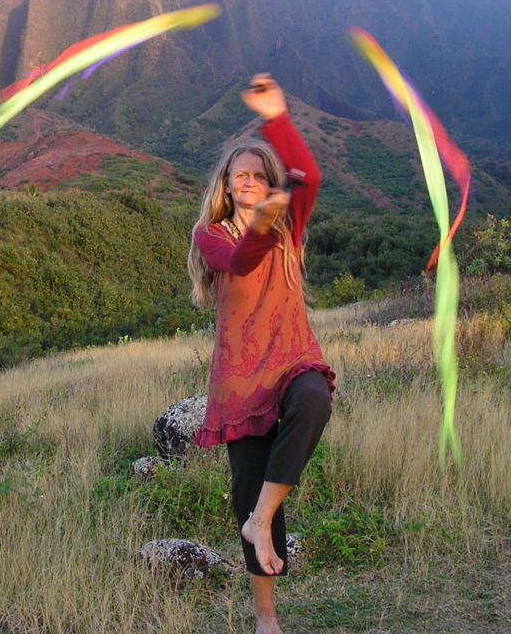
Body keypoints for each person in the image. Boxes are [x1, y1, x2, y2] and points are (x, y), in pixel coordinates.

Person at [187, 73, 335, 634]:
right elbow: (241, 264)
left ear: (269, 181)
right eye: (238, 175)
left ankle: (263, 520)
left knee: (315, 401)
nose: (247, 181)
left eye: (258, 175)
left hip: (293, 357)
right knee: (247, 487)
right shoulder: (213, 234)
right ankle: (265, 615)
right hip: (240, 380)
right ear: (226, 183)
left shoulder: (289, 226)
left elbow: (311, 176)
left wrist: (277, 117)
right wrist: (263, 221)